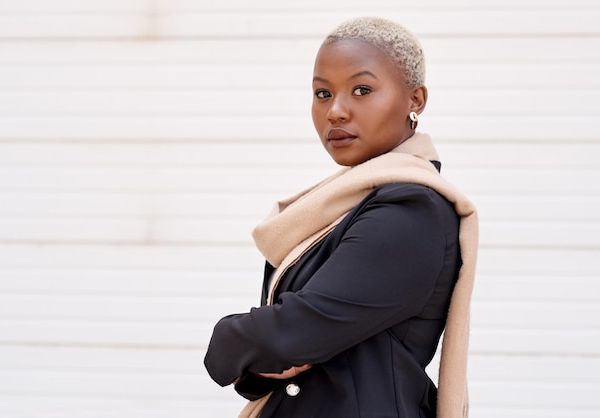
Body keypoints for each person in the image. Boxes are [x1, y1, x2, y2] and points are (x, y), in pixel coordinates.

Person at [204, 16, 479, 418]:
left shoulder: (411, 211)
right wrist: (262, 359)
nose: (335, 111)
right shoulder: (353, 203)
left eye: (362, 90)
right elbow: (288, 345)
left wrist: (225, 338)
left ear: (415, 100)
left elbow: (294, 333)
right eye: (322, 93)